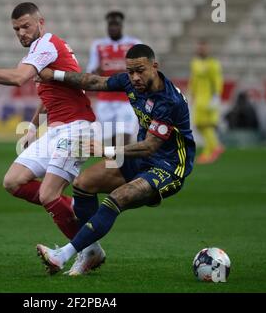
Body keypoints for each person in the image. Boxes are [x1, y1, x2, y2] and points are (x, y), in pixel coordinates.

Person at [0, 2, 106, 274]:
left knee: (47, 194)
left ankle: (87, 250)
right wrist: (33, 127)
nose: (21, 32)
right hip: (57, 129)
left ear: (40, 23)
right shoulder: (41, 51)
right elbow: (50, 94)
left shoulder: (45, 45)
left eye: (26, 26)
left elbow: (18, 79)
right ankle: (74, 213)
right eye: (16, 29)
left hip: (77, 128)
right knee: (12, 181)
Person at [35, 44, 196, 275]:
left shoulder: (169, 101)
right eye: (130, 71)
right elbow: (93, 82)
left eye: (140, 70)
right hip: (140, 159)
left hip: (168, 166)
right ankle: (89, 251)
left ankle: (63, 255)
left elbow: (150, 146)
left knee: (117, 197)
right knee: (83, 183)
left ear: (155, 67)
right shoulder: (130, 82)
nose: (135, 77)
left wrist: (107, 150)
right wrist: (56, 75)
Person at [86, 11, 141, 146]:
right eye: (110, 24)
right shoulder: (98, 45)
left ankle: (123, 166)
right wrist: (96, 71)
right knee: (111, 143)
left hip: (127, 100)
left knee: (124, 141)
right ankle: (112, 166)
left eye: (116, 24)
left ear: (121, 25)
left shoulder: (134, 44)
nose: (113, 28)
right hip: (105, 100)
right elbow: (91, 70)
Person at [188, 39, 224, 164]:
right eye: (199, 47)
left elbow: (217, 80)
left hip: (209, 99)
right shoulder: (195, 63)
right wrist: (191, 94)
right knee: (200, 125)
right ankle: (210, 152)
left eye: (203, 47)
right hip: (199, 99)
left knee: (206, 125)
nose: (201, 49)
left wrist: (216, 96)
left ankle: (214, 147)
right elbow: (193, 80)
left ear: (207, 49)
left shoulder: (213, 63)